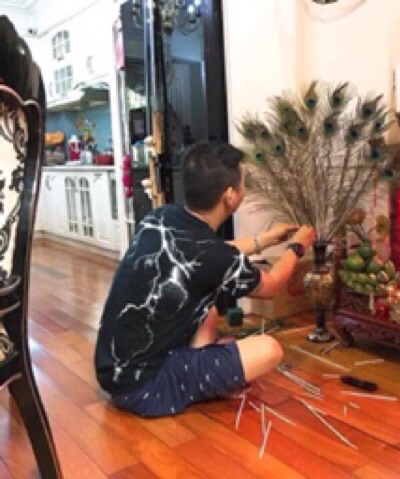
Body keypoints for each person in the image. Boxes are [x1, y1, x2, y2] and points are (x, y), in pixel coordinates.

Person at [94, 141, 315, 417]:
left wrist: (265, 239)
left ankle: (202, 368)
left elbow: (209, 254)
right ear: (230, 195)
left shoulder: (160, 216)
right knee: (269, 350)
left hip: (113, 370)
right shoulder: (212, 256)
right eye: (243, 183)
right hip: (145, 388)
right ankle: (204, 380)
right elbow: (272, 285)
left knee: (208, 310)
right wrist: (297, 246)